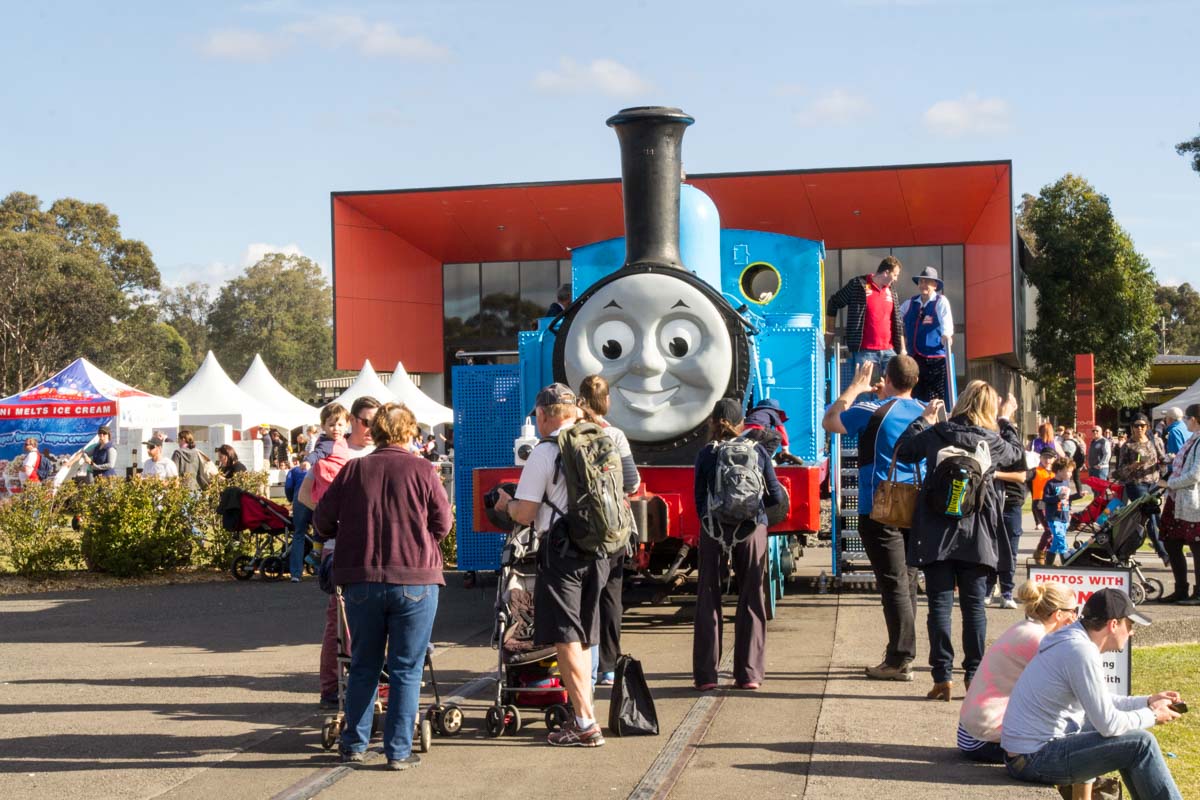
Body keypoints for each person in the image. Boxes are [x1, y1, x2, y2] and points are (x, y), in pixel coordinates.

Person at [313, 402, 451, 771]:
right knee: (406, 668)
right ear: (408, 433)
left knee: (363, 665)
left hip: (362, 579)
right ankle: (398, 752)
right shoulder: (423, 469)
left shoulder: (354, 470)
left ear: (374, 432)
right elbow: (443, 523)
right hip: (416, 578)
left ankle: (354, 743)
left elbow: (322, 521)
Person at [493, 383, 611, 747]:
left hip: (564, 552)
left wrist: (505, 505)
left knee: (566, 637)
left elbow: (527, 513)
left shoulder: (546, 451)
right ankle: (585, 712)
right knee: (586, 635)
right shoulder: (600, 439)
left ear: (543, 415)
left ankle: (584, 722)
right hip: (602, 548)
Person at [895, 381, 1022, 701]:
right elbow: (1017, 457)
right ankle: (974, 675)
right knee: (974, 607)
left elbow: (905, 450)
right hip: (977, 534)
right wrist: (1006, 421)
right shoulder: (992, 440)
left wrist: (924, 419)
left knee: (939, 605)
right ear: (990, 408)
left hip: (936, 533)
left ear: (962, 402)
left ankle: (942, 676)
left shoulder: (937, 434)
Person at [1002, 588, 1184, 799]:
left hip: (1025, 753)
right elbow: (1108, 725)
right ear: (1113, 624)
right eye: (1130, 624)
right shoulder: (1081, 651)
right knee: (1141, 744)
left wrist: (1148, 701)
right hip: (1033, 758)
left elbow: (1102, 704)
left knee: (1131, 741)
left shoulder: (1074, 640)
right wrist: (1152, 714)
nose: (1132, 632)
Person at [822, 355, 925, 680]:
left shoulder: (871, 410)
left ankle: (899, 658)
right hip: (917, 504)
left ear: (888, 379)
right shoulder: (927, 410)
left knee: (893, 583)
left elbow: (831, 421)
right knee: (907, 580)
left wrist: (855, 387)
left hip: (879, 506)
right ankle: (902, 653)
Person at [692, 398, 786, 692]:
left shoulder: (707, 453)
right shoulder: (756, 450)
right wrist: (755, 512)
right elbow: (774, 496)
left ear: (713, 422)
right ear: (740, 423)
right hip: (751, 527)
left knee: (708, 596)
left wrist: (712, 519)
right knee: (752, 597)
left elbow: (698, 497)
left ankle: (707, 675)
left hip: (714, 528)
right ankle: (749, 675)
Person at [300, 396, 380, 708]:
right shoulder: (334, 451)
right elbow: (306, 495)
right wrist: (333, 517)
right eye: (365, 421)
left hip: (379, 550)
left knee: (378, 620)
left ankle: (374, 687)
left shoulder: (383, 451)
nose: (371, 427)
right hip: (341, 547)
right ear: (353, 421)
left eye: (376, 421)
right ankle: (331, 689)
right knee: (339, 621)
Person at [958, 580, 1080, 763]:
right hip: (984, 739)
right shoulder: (1038, 641)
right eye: (1074, 611)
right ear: (1058, 614)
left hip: (971, 731)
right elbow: (1064, 688)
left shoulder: (1024, 628)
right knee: (1076, 728)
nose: (1076, 617)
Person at [575, 374, 641, 687]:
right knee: (611, 595)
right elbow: (632, 481)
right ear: (607, 401)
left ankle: (583, 665)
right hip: (613, 526)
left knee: (585, 596)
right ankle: (609, 667)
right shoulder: (615, 434)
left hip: (580, 528)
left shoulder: (570, 433)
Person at [825, 255, 907, 375]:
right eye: (895, 275)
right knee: (866, 391)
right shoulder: (858, 285)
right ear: (886, 272)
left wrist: (903, 348)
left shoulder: (891, 291)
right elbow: (834, 302)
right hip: (865, 352)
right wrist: (830, 331)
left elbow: (898, 322)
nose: (896, 279)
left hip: (889, 351)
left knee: (891, 390)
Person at [1115, 414, 1169, 565]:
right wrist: (1132, 466)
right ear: (1131, 428)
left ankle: (1166, 549)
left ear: (1147, 427)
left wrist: (1168, 469)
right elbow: (1119, 471)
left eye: (1142, 425)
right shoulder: (1127, 445)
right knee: (1150, 516)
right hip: (1136, 484)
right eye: (1136, 425)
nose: (1139, 428)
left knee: (1155, 518)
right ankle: (1163, 553)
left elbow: (1163, 459)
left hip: (1154, 484)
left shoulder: (1155, 441)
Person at [1160, 402, 1200, 605]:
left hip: (1192, 501)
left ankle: (1198, 592)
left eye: (1187, 418)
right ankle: (1181, 588)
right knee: (1171, 542)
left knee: (1196, 546)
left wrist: (1170, 482)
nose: (1184, 422)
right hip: (1179, 499)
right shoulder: (1193, 439)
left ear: (1193, 419)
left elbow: (1195, 474)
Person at [987, 434, 1031, 609]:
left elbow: (1022, 476)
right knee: (990, 548)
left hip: (1012, 504)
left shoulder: (1016, 451)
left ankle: (1006, 592)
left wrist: (996, 474)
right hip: (992, 502)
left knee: (1010, 551)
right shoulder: (989, 448)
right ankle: (989, 589)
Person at [898, 266, 954, 402]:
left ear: (935, 285)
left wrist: (946, 336)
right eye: (921, 281)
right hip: (914, 358)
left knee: (935, 397)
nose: (923, 285)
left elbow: (947, 323)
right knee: (915, 394)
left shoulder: (940, 302)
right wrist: (902, 345)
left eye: (927, 282)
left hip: (935, 359)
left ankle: (935, 423)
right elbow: (896, 321)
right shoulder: (909, 303)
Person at [1043, 458, 1080, 566]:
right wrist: (1057, 497)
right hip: (1054, 516)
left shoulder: (1066, 482)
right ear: (1059, 471)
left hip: (1064, 515)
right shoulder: (1051, 484)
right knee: (1060, 537)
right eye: (1068, 471)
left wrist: (1078, 496)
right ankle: (1066, 556)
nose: (1070, 474)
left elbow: (1068, 498)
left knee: (1056, 543)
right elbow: (1045, 498)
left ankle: (1048, 563)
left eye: (1071, 472)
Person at [285, 458, 312, 583]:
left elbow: (289, 487)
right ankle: (320, 568)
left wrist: (291, 499)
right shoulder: (318, 467)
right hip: (317, 496)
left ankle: (296, 573)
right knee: (321, 533)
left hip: (300, 499)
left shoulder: (294, 471)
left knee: (299, 534)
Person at [1031, 447, 1059, 565]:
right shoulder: (1035, 471)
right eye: (1045, 457)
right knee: (1049, 529)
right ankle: (1040, 552)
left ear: (1054, 459)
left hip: (1053, 503)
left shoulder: (1055, 472)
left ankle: (1047, 553)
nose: (1047, 460)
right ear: (1040, 457)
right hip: (1040, 502)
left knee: (1055, 530)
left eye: (1050, 457)